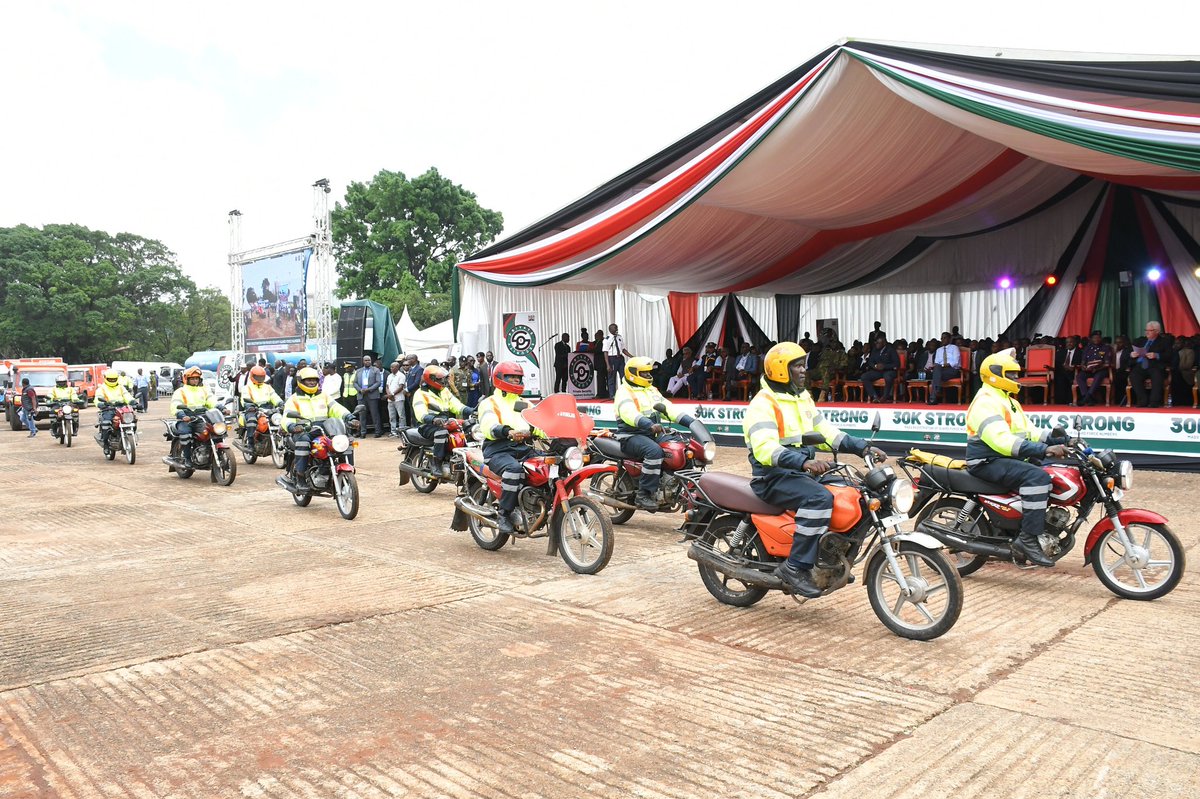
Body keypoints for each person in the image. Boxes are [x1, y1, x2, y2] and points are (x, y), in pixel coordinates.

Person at [745, 342, 885, 598]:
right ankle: (795, 567)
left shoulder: (802, 398)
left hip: (800, 472)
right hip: (773, 476)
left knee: (853, 491)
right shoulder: (763, 403)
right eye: (797, 366)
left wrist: (861, 447)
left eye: (803, 365)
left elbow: (826, 433)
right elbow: (764, 448)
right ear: (780, 370)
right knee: (819, 499)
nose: (803, 370)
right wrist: (803, 462)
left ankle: (832, 557)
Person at [965, 348, 1070, 567]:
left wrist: (1056, 439)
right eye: (1011, 374)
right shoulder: (986, 401)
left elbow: (1030, 431)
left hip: (1001, 458)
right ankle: (1028, 538)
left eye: (1015, 374)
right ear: (995, 374)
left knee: (1049, 470)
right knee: (1038, 477)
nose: (1016, 378)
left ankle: (1021, 522)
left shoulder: (1007, 400)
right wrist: (1044, 450)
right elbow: (1002, 441)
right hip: (987, 460)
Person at [615, 357, 699, 510]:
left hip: (651, 432)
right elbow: (628, 413)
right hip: (631, 434)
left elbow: (668, 408)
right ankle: (644, 495)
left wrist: (690, 421)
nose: (648, 376)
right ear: (633, 373)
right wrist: (648, 424)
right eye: (645, 373)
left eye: (649, 373)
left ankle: (674, 487)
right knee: (654, 452)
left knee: (681, 448)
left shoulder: (651, 390)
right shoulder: (624, 392)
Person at [479, 362, 544, 534]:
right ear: (500, 378)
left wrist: (556, 430)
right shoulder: (489, 403)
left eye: (518, 377)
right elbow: (488, 425)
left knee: (549, 465)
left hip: (522, 448)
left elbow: (539, 423)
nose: (516, 380)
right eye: (511, 377)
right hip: (497, 449)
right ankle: (504, 513)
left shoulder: (526, 403)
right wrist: (507, 431)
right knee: (514, 470)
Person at [281, 367, 353, 489]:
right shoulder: (294, 399)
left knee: (345, 441)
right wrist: (292, 426)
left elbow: (336, 408)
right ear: (301, 382)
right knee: (303, 442)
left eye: (314, 380)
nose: (312, 382)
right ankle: (300, 477)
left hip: (324, 428)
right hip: (304, 430)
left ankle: (346, 470)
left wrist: (349, 417)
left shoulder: (324, 396)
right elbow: (287, 416)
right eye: (308, 380)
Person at [411, 364, 471, 478]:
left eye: (443, 378)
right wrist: (433, 419)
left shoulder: (445, 391)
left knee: (466, 430)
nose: (443, 381)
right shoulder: (420, 394)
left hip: (445, 422)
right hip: (427, 425)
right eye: (440, 379)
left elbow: (457, 405)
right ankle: (436, 462)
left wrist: (472, 410)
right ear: (432, 379)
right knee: (441, 433)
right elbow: (420, 414)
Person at [170, 366, 216, 466]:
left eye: (197, 378)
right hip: (186, 418)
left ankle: (207, 452)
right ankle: (187, 458)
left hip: (201, 417)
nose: (195, 380)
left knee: (212, 431)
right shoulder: (180, 391)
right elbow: (175, 404)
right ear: (187, 379)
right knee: (186, 434)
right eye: (193, 378)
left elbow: (211, 401)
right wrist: (181, 415)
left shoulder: (204, 390)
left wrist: (221, 408)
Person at [1131, 321, 1172, 407]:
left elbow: (1169, 355)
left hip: (1155, 366)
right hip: (1141, 365)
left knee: (1157, 376)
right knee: (1134, 375)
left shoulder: (1165, 341)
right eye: (1146, 330)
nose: (1147, 332)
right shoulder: (1141, 340)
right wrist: (1132, 354)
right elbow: (1130, 351)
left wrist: (1156, 355)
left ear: (1157, 331)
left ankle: (1154, 402)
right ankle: (1143, 400)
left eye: (1150, 330)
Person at [240, 365, 282, 449]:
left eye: (261, 377)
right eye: (257, 377)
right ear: (252, 376)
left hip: (267, 408)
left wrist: (280, 403)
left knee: (279, 420)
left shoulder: (268, 387)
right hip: (252, 409)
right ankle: (250, 442)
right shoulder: (246, 388)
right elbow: (244, 399)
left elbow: (274, 396)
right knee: (252, 421)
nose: (259, 379)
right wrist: (249, 405)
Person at [93, 369, 133, 447]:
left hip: (121, 408)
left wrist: (133, 402)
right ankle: (106, 445)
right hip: (108, 409)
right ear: (105, 378)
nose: (112, 380)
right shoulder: (101, 388)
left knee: (132, 419)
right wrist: (100, 404)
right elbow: (98, 397)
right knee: (106, 424)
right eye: (110, 379)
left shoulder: (121, 387)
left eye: (113, 379)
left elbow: (127, 395)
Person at [1074, 330, 1113, 406]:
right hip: (1088, 370)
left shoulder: (1106, 348)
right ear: (1091, 339)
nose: (1096, 339)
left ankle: (1087, 397)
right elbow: (1083, 361)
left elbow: (1107, 363)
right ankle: (1087, 397)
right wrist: (1083, 367)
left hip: (1100, 370)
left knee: (1098, 376)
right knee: (1079, 376)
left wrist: (1097, 368)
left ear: (1101, 338)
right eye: (1094, 338)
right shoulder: (1087, 348)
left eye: (1098, 337)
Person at [860, 335, 899, 402]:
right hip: (877, 371)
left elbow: (897, 364)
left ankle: (885, 397)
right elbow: (870, 361)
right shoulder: (875, 350)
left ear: (884, 343)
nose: (876, 344)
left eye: (878, 343)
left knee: (888, 377)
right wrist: (875, 366)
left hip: (889, 370)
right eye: (876, 342)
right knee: (864, 376)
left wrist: (884, 366)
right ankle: (874, 396)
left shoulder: (891, 350)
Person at [353, 355, 383, 437]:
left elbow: (378, 382)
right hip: (361, 395)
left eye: (369, 360)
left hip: (372, 395)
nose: (367, 362)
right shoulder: (359, 371)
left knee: (375, 414)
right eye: (366, 360)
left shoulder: (375, 370)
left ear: (371, 361)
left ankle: (377, 432)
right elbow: (354, 382)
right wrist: (360, 389)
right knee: (362, 415)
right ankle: (363, 432)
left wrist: (369, 389)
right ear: (363, 361)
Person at [929, 332, 962, 405]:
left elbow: (956, 362)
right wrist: (936, 366)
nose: (942, 340)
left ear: (949, 339)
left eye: (944, 338)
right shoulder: (938, 350)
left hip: (952, 370)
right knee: (936, 369)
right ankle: (934, 395)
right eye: (941, 338)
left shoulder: (954, 348)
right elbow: (937, 362)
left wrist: (944, 365)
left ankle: (934, 396)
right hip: (941, 370)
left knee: (936, 374)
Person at [385, 360, 408, 436]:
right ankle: (393, 431)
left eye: (392, 367)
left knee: (401, 415)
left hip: (399, 398)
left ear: (397, 367)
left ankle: (402, 431)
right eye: (391, 367)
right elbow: (387, 386)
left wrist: (392, 394)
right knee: (391, 416)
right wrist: (389, 395)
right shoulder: (389, 375)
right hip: (390, 399)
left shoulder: (401, 376)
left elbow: (401, 387)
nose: (391, 368)